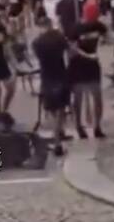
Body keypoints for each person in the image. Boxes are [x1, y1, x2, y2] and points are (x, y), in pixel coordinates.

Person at [32, 16, 71, 156]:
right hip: (61, 74)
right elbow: (68, 53)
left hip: (47, 77)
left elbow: (38, 58)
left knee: (52, 110)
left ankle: (57, 138)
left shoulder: (37, 42)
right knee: (61, 108)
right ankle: (58, 136)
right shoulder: (59, 38)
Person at [68, 20, 108, 139]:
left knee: (94, 97)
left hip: (89, 65)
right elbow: (72, 48)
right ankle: (81, 126)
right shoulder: (76, 29)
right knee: (80, 98)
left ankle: (95, 126)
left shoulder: (98, 26)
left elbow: (107, 36)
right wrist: (89, 55)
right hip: (79, 65)